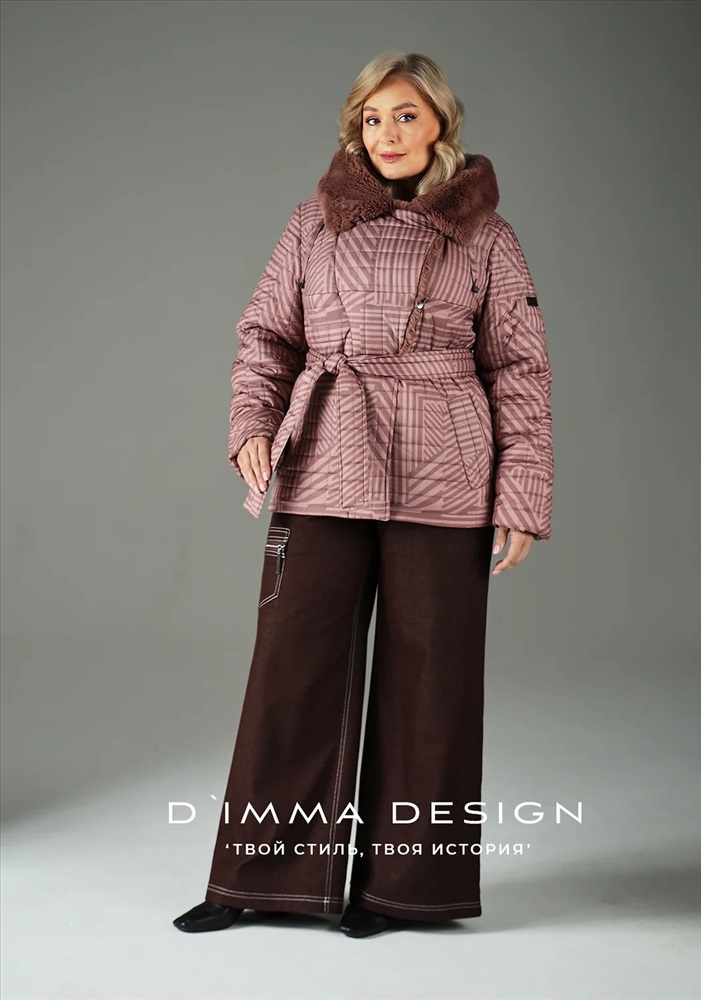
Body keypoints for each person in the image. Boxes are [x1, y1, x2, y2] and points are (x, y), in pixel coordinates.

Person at [173, 49, 553, 939]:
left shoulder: (488, 237)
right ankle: (260, 881)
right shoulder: (313, 223)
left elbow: (519, 369)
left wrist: (522, 491)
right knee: (291, 671)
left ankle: (405, 892)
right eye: (372, 118)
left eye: (406, 115)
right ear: (356, 128)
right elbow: (267, 336)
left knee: (432, 681)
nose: (388, 133)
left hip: (446, 469)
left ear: (441, 123)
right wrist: (252, 422)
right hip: (325, 458)